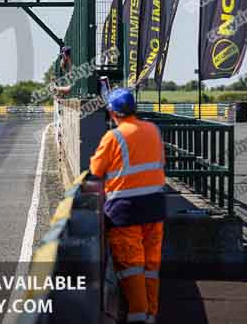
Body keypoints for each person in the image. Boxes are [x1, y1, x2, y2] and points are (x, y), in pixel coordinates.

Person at [90, 88, 166, 324]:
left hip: (125, 212)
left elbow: (96, 170)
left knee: (132, 267)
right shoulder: (153, 130)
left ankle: (138, 317)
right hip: (154, 208)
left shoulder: (113, 137)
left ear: (112, 112)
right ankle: (151, 315)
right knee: (151, 266)